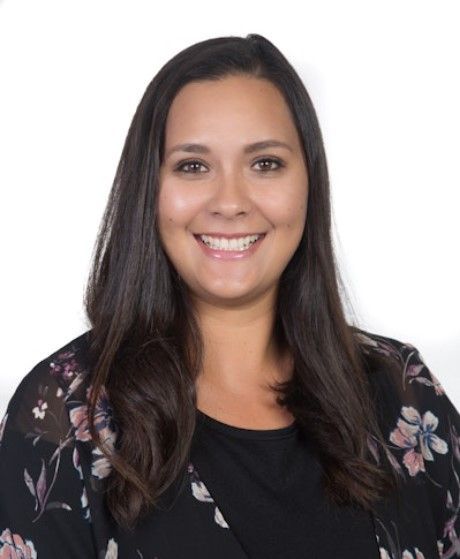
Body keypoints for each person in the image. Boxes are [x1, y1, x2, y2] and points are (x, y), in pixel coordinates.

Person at [0, 33, 458, 559]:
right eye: (193, 166)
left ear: (310, 182)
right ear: (148, 189)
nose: (231, 202)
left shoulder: (404, 394)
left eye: (265, 163)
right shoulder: (62, 421)